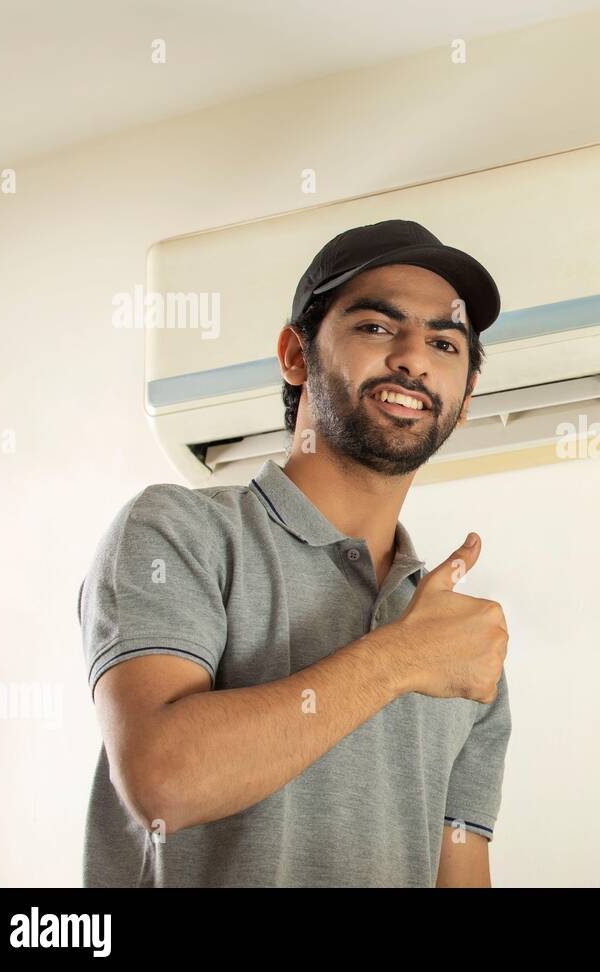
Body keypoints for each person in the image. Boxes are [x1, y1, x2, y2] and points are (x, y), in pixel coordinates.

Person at [77, 219, 511, 887]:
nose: (414, 359)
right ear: (294, 354)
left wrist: (422, 650)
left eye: (444, 342)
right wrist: (399, 659)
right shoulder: (177, 531)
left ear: (465, 399)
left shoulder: (457, 641)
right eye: (376, 327)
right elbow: (162, 781)